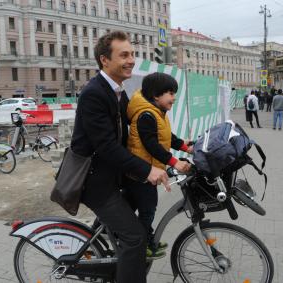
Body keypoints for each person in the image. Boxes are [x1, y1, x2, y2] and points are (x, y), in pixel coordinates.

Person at [71, 31, 169, 283]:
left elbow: (137, 130)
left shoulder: (117, 90)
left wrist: (174, 150)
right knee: (135, 237)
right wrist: (148, 170)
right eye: (124, 55)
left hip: (113, 176)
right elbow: (107, 147)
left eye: (132, 54)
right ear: (105, 60)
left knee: (130, 223)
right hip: (95, 182)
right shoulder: (94, 93)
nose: (131, 60)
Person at [123, 72, 193, 259]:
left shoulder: (158, 113)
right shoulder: (146, 115)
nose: (174, 97)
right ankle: (142, 244)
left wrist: (187, 148)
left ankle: (105, 229)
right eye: (170, 93)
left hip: (144, 170)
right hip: (142, 172)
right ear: (156, 95)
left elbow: (167, 138)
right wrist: (174, 162)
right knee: (147, 209)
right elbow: (151, 145)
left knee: (129, 206)